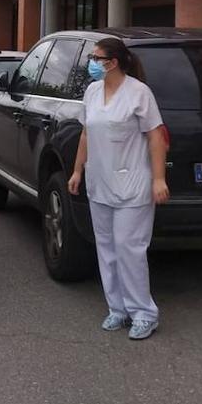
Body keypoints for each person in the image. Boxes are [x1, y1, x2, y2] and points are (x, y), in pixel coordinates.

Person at [67, 37, 169, 340]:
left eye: (96, 58)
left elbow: (156, 137)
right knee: (107, 248)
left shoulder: (139, 93)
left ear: (112, 62)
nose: (92, 64)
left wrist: (159, 179)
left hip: (133, 183)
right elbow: (86, 133)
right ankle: (118, 309)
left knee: (129, 249)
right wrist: (76, 170)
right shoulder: (92, 91)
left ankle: (144, 313)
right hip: (100, 182)